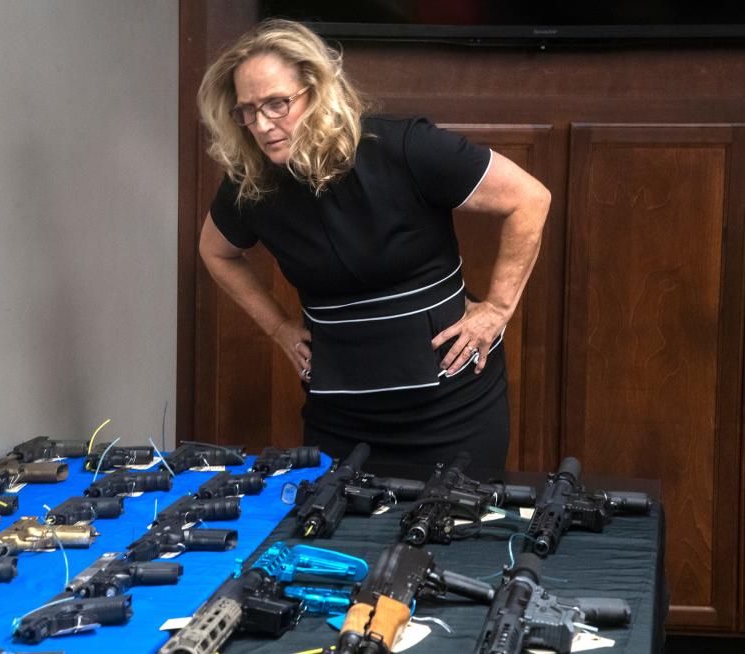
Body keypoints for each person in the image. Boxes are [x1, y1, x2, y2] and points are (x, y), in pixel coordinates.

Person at [196, 19, 550, 477]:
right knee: (338, 542)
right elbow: (215, 251)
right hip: (341, 416)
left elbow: (529, 198)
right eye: (247, 110)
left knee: (457, 542)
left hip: (452, 411)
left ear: (317, 91)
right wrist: (280, 328)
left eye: (277, 104)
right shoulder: (251, 181)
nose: (262, 125)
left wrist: (498, 308)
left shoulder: (402, 146)